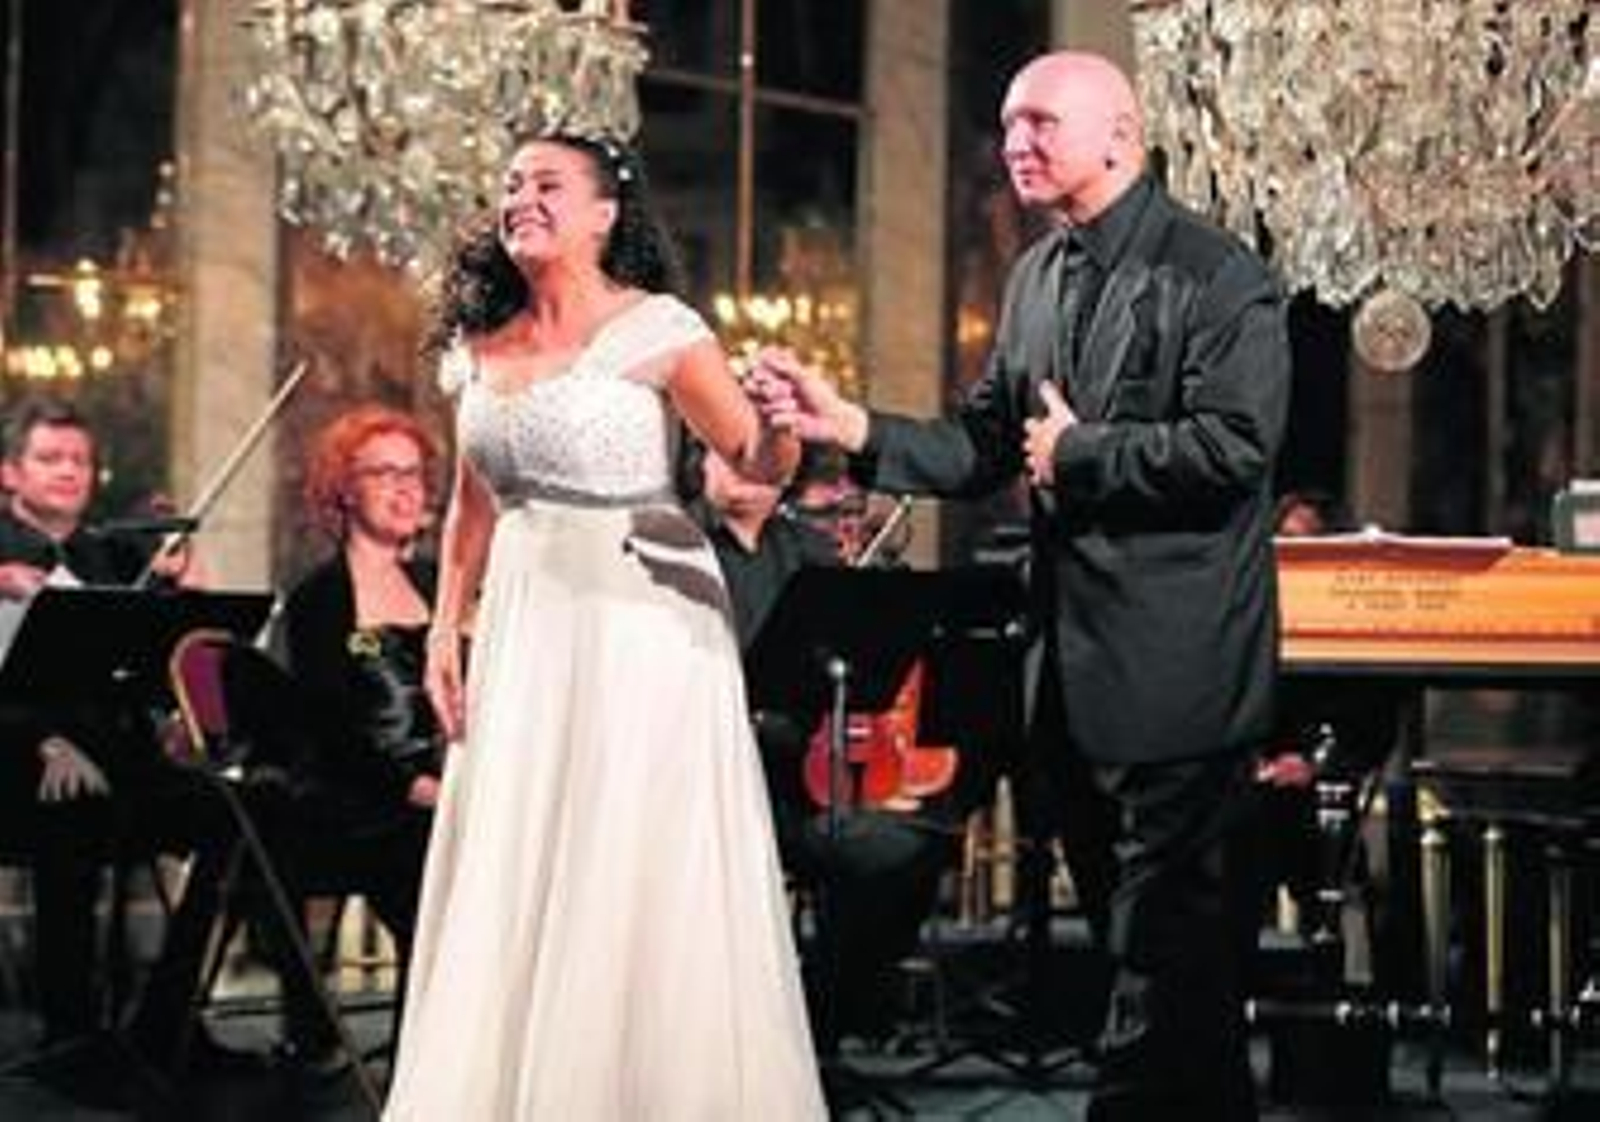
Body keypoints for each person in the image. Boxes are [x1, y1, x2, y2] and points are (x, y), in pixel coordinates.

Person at [748, 50, 1291, 1120]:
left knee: (1157, 968)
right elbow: (982, 446)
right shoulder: (1038, 275)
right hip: (1066, 677)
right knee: (1176, 985)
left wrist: (1081, 453)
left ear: (1121, 136)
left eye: (1040, 121)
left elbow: (1236, 449)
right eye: (1006, 125)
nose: (1014, 144)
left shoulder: (1218, 275)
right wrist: (846, 425)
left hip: (1179, 673)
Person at [381, 132, 826, 1120]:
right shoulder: (476, 346)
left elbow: (754, 462)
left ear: (603, 213)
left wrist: (784, 424)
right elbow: (471, 504)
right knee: (520, 841)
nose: (521, 199)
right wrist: (446, 628)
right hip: (525, 619)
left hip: (643, 620)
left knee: (624, 846)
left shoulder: (660, 328)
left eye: (548, 183)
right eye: (511, 183)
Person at [0, 398, 262, 1093]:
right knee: (71, 801)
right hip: (20, 759)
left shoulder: (112, 552)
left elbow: (148, 668)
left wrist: (185, 604)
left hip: (118, 759)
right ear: (9, 473)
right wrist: (48, 740)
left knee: (232, 814)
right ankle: (71, 1034)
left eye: (79, 460)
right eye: (49, 458)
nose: (68, 471)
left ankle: (166, 1020)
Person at [689, 442, 957, 1047]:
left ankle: (821, 1022)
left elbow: (861, 670)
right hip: (703, 786)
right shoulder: (676, 548)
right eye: (724, 450)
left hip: (801, 781)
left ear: (785, 465)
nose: (742, 466)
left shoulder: (813, 554)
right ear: (701, 462)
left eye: (755, 451)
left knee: (911, 846)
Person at [274, 404, 442, 1067]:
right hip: (360, 803)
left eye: (415, 473)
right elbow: (332, 731)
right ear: (344, 489)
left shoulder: (438, 583)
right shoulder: (319, 599)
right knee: (437, 869)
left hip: (443, 788)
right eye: (384, 474)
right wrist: (416, 788)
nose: (406, 489)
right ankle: (428, 1067)